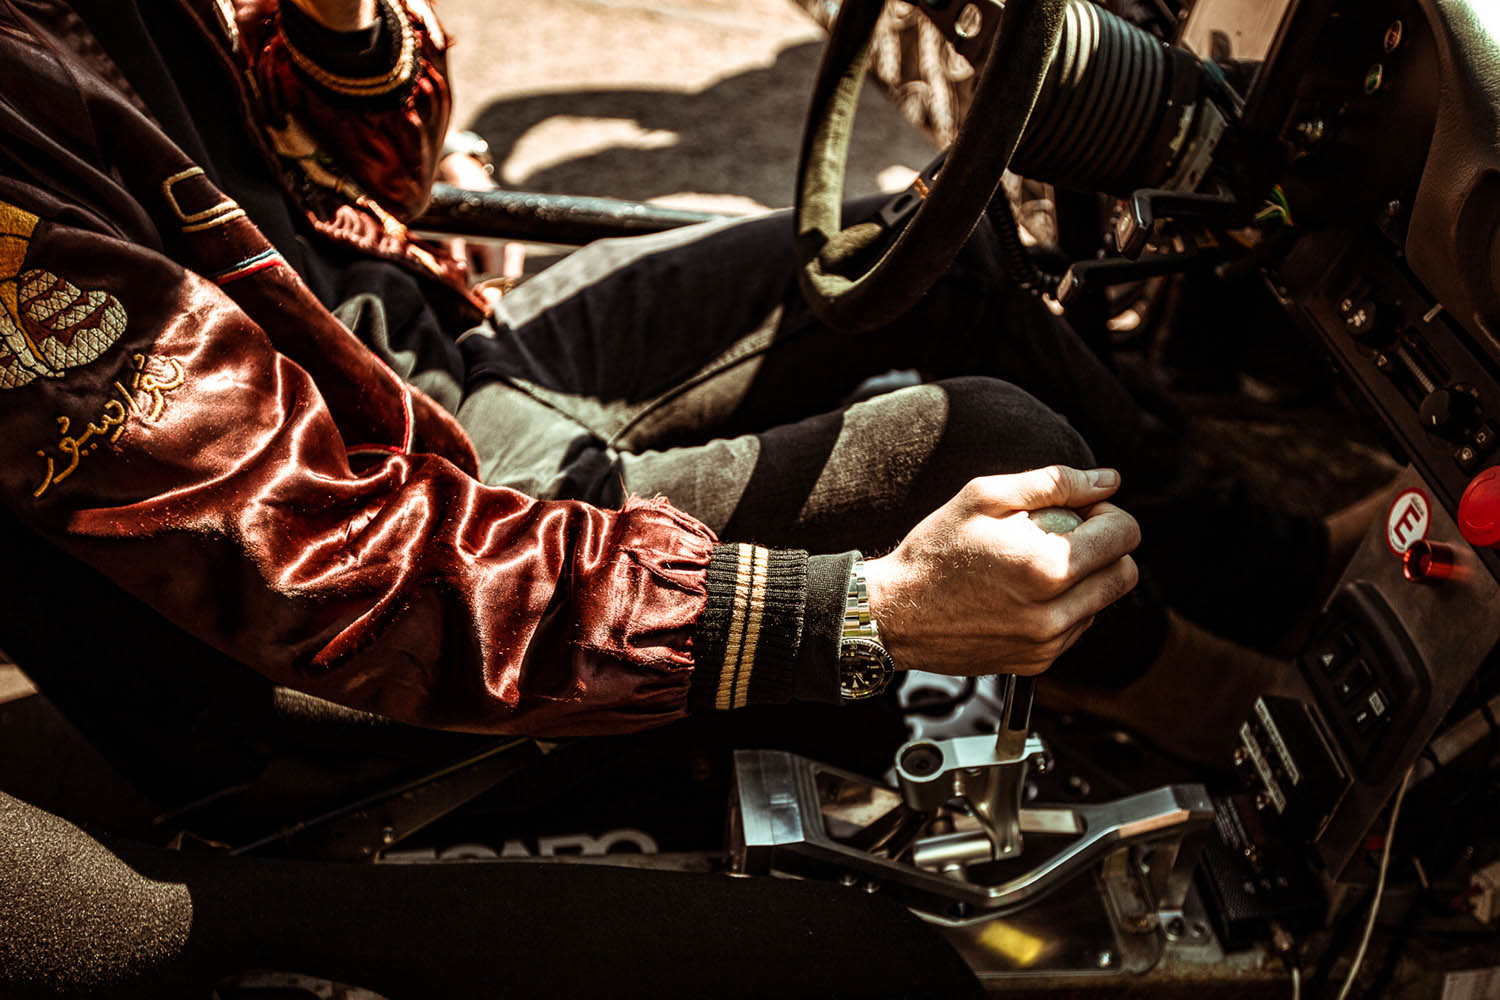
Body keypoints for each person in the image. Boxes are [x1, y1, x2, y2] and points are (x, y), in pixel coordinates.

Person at [0, 0, 1345, 993]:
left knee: (948, 256)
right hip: (393, 531)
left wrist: (348, 28)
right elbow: (327, 556)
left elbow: (380, 176)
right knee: (982, 442)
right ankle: (1230, 720)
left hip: (431, 360)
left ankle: (1290, 587)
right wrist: (862, 612)